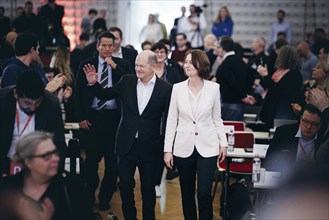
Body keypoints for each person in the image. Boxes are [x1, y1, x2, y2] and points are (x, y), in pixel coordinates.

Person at [83, 50, 172, 220]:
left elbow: (168, 120)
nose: (137, 68)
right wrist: (94, 84)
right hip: (126, 144)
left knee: (148, 189)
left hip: (150, 146)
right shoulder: (127, 81)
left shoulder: (166, 89)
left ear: (153, 66)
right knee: (124, 186)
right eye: (136, 65)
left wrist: (166, 148)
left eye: (141, 66)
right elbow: (106, 95)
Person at [164, 49, 227, 220]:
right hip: (183, 147)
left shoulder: (214, 88)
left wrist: (223, 143)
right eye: (186, 62)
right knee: (187, 194)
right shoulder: (177, 89)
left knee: (204, 194)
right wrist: (167, 150)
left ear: (202, 64)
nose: (187, 65)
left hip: (208, 146)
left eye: (192, 62)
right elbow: (171, 120)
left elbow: (217, 118)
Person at [75, 32, 132, 212]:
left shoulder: (122, 64)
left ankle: (105, 196)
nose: (107, 49)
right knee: (92, 159)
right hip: (93, 118)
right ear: (97, 46)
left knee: (112, 161)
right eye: (104, 45)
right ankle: (90, 192)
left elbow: (131, 83)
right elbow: (78, 92)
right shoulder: (86, 64)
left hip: (114, 117)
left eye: (110, 45)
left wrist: (114, 67)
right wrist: (81, 118)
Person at [0, 131, 94, 220]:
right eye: (46, 156)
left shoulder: (71, 186)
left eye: (55, 153)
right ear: (28, 161)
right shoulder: (7, 189)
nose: (55, 159)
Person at [0, 71, 66, 176]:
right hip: (5, 161)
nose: (32, 107)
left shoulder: (50, 104)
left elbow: (58, 144)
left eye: (37, 102)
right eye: (27, 103)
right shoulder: (3, 101)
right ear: (16, 94)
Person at [264, 104, 323, 173]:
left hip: (315, 179)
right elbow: (269, 160)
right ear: (300, 119)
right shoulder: (283, 132)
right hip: (286, 177)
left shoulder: (324, 139)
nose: (308, 127)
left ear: (320, 125)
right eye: (305, 121)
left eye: (314, 124)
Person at [1, 32, 65, 93]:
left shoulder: (37, 68)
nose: (38, 53)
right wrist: (47, 90)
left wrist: (55, 84)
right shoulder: (11, 71)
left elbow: (47, 90)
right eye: (37, 49)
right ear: (32, 50)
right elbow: (12, 98)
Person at [258, 45, 302, 129]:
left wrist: (266, 75)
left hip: (283, 109)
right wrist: (264, 75)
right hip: (271, 108)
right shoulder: (278, 70)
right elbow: (268, 85)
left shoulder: (294, 74)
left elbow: (279, 91)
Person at [216, 36, 254, 121]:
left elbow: (231, 82)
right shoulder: (240, 61)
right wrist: (246, 94)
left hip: (229, 103)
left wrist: (244, 96)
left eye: (218, 47)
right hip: (240, 103)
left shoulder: (226, 64)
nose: (217, 49)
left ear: (222, 48)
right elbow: (250, 78)